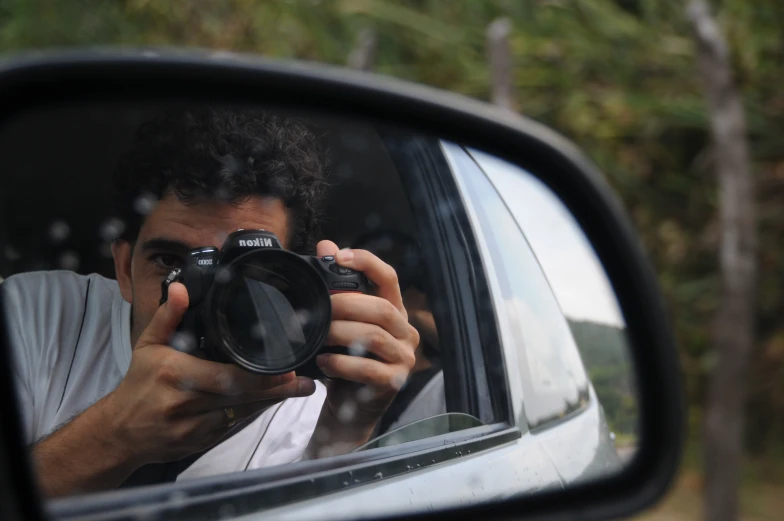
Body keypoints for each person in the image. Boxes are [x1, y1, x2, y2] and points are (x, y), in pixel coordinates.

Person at [1, 109, 419, 497]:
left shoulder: (306, 395)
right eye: (171, 262)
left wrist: (345, 428)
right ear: (124, 267)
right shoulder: (33, 314)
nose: (201, 295)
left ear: (295, 279)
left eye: (249, 275)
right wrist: (116, 434)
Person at [350, 231, 445, 436]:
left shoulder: (442, 391)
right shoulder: (334, 372)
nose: (358, 301)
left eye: (371, 284)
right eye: (352, 282)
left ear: (418, 295)